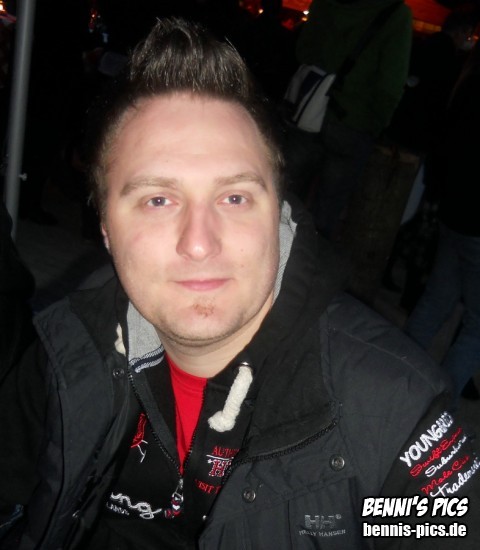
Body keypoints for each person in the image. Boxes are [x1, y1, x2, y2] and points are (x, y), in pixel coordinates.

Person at [0, 17, 479, 550]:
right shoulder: (63, 350)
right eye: (158, 199)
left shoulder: (395, 415)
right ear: (106, 230)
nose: (199, 243)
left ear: (280, 214)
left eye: (234, 198)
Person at [285, 0, 412, 238]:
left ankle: (270, 255)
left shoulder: (326, 4)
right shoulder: (396, 14)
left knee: (286, 199)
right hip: (354, 122)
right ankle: (307, 257)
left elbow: (303, 51)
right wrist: (377, 124)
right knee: (326, 213)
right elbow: (390, 85)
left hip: (309, 110)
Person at [404, 38, 480, 401]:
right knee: (476, 327)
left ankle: (398, 381)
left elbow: (445, 145)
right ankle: (438, 409)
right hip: (473, 223)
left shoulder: (468, 83)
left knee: (436, 301)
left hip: (455, 212)